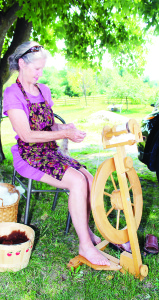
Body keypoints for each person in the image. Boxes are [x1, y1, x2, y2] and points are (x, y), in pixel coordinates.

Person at [3, 41, 110, 266]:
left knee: (90, 179)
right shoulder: (12, 93)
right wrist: (64, 135)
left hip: (50, 152)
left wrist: (65, 128)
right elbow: (27, 135)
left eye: (43, 68)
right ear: (21, 64)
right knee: (78, 182)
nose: (41, 73)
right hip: (29, 155)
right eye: (36, 69)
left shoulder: (44, 90)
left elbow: (49, 127)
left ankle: (88, 232)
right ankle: (85, 246)